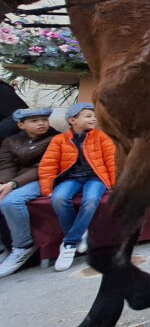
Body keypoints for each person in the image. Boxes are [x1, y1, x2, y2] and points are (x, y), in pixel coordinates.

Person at [38, 103, 116, 271]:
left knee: (91, 200)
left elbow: (111, 160)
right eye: (88, 116)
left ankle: (69, 243)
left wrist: (114, 183)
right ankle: (80, 234)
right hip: (70, 178)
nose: (93, 119)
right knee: (58, 198)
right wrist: (47, 188)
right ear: (72, 120)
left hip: (96, 177)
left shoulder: (101, 137)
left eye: (94, 116)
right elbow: (47, 165)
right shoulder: (59, 140)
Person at [0, 108, 57, 277]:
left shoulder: (55, 138)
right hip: (16, 179)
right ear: (20, 125)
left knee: (11, 202)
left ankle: (23, 246)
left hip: (45, 178)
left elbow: (42, 167)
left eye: (44, 119)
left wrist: (13, 184)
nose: (41, 123)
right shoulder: (11, 141)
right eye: (34, 121)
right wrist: (3, 183)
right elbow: (6, 165)